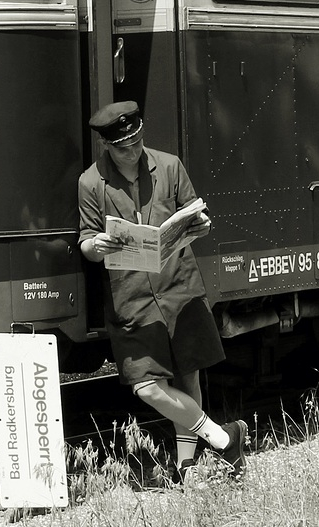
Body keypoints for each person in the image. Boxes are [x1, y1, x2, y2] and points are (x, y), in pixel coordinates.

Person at [78, 101, 248, 482]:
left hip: (180, 289)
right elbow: (86, 241)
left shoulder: (169, 165)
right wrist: (98, 246)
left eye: (137, 140)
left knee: (189, 376)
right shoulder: (91, 183)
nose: (134, 150)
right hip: (132, 300)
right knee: (147, 387)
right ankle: (224, 438)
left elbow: (194, 212)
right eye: (124, 146)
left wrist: (200, 225)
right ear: (107, 145)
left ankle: (187, 468)